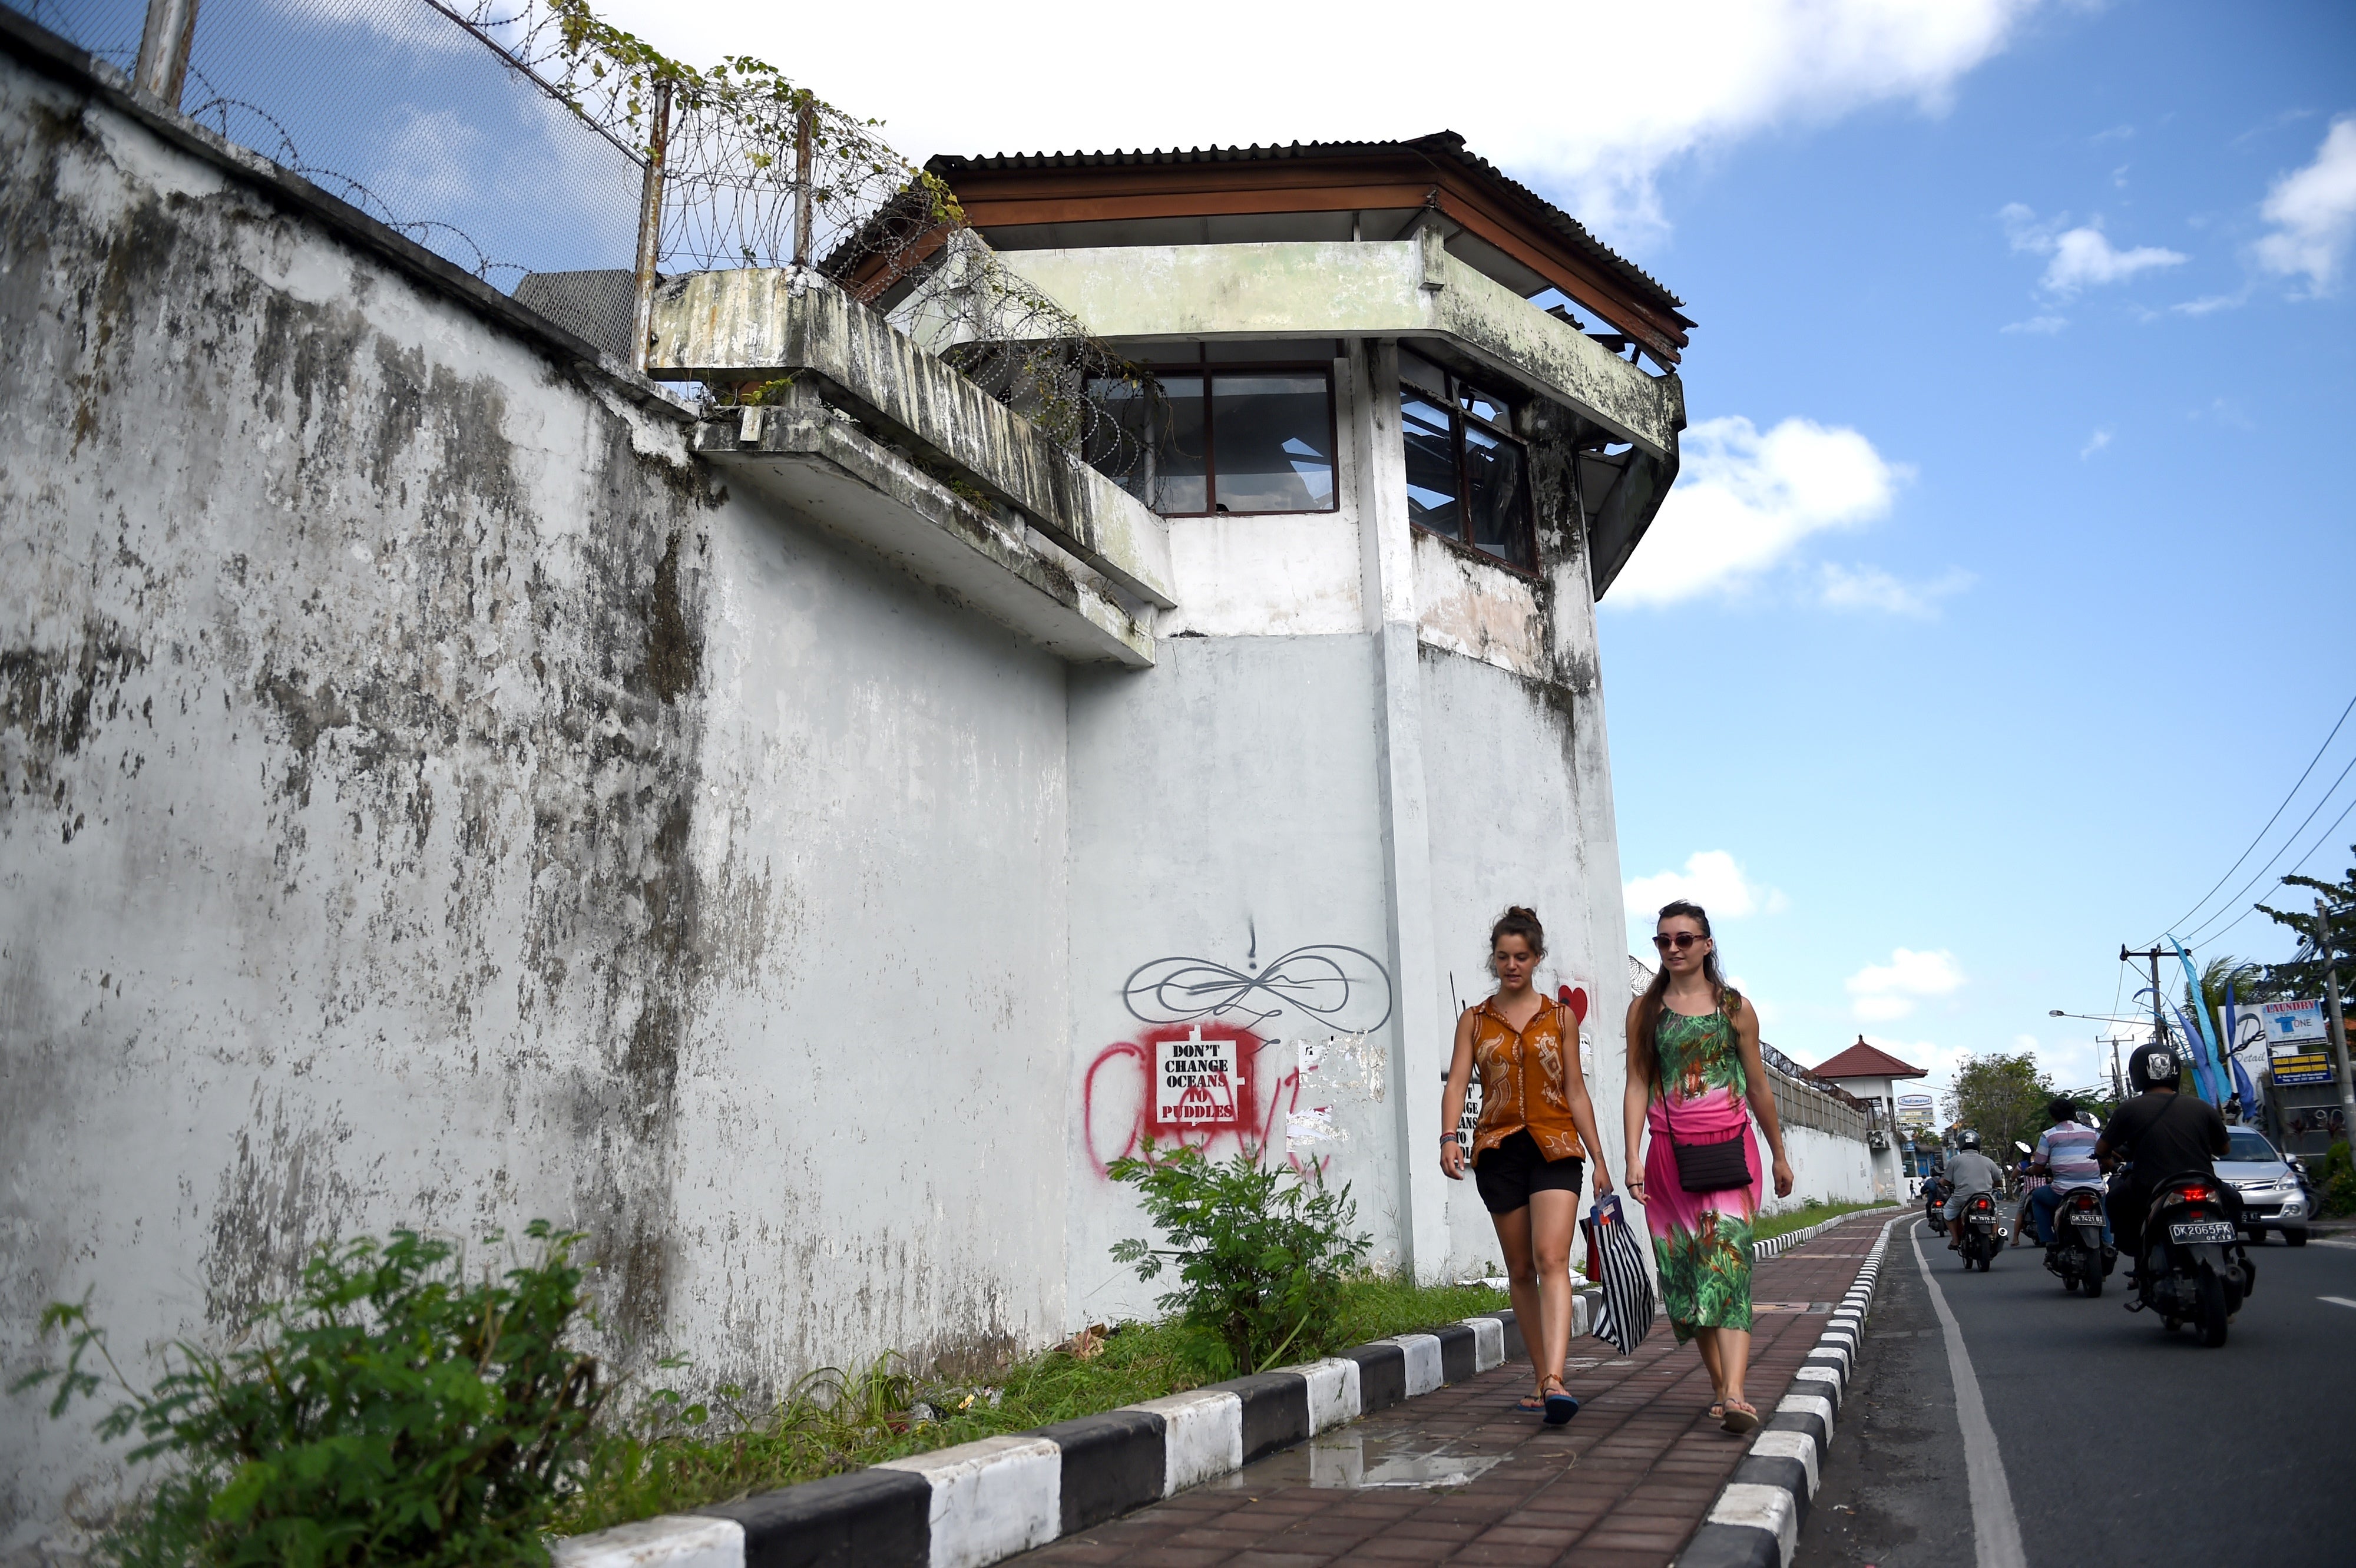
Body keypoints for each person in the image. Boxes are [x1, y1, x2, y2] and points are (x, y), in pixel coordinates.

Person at [1622, 900, 1793, 1437]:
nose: (1673, 949)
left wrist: (1779, 1151)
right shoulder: (1644, 1011)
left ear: (1707, 944)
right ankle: (1721, 1387)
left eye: (1684, 939)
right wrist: (1632, 1156)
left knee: (1729, 1268)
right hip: (1668, 1158)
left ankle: (1737, 1393)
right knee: (1688, 1280)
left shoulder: (1735, 1008)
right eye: (1663, 941)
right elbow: (1636, 1083)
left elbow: (1759, 1085)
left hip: (1730, 1151)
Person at [1440, 907, 1614, 1425]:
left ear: (1538, 958)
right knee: (1519, 1269)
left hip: (1556, 1146)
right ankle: (1542, 1379)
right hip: (1498, 1151)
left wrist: (1601, 1157)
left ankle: (1557, 1378)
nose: (1512, 965)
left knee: (1551, 1258)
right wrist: (1450, 1136)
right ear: (1493, 959)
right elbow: (1457, 1083)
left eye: (1522, 956)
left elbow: (1576, 1090)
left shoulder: (1561, 1016)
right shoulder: (1475, 1019)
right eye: (1503, 957)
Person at [2097, 1044, 2230, 1272]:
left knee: (2115, 1199)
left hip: (2150, 1186)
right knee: (2234, 1199)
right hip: (2203, 1183)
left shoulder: (2128, 1109)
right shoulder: (2202, 1107)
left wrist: (2109, 1159)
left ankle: (2140, 1256)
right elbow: (2225, 1149)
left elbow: (2102, 1149)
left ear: (2137, 1073)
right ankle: (2231, 1253)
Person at [2026, 1097, 2107, 1248]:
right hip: (2094, 1188)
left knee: (2037, 1197)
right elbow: (2105, 1157)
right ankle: (2108, 1242)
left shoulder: (2048, 1135)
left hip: (2062, 1191)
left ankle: (2049, 1241)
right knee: (2102, 1203)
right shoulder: (2092, 1133)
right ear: (2074, 1113)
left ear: (2053, 1117)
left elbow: (2038, 1169)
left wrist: (2030, 1170)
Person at [1940, 1130, 2006, 1252]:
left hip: (1962, 1198)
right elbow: (1998, 1181)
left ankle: (1955, 1240)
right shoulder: (1988, 1161)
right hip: (1986, 1197)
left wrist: (1942, 1182)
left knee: (1948, 1212)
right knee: (1995, 1213)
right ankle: (1994, 1235)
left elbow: (1946, 1181)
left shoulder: (1955, 1160)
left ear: (1960, 1144)